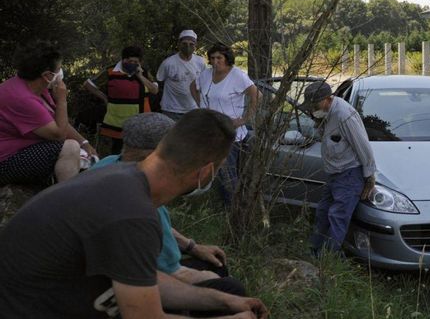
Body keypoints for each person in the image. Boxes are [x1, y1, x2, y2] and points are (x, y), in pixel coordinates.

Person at [0, 109, 268, 319]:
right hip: (29, 311)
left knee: (228, 294)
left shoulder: (122, 177)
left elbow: (144, 279)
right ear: (205, 172)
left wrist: (224, 300)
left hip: (46, 299)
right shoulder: (133, 214)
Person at [92, 113, 245, 298]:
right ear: (157, 153)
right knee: (229, 285)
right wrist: (217, 284)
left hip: (103, 270)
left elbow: (161, 229)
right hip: (122, 283)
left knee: (213, 265)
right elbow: (169, 271)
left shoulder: (107, 164)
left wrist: (191, 246)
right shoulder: (143, 197)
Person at [0, 41, 97, 186]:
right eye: (59, 68)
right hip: (5, 162)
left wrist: (85, 143)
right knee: (70, 147)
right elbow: (59, 134)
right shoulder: (22, 99)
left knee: (79, 151)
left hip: (20, 151)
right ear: (47, 75)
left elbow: (54, 120)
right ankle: (66, 199)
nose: (61, 71)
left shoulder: (35, 87)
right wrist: (62, 100)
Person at [303, 80, 377, 255]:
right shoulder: (325, 114)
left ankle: (326, 258)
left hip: (350, 174)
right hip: (333, 173)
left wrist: (369, 176)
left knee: (338, 216)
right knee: (323, 212)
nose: (312, 108)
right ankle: (313, 249)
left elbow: (363, 146)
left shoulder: (344, 115)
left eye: (315, 104)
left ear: (328, 99)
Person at [190, 43, 258, 205]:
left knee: (228, 173)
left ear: (227, 58)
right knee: (216, 171)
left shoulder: (237, 76)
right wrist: (201, 105)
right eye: (212, 58)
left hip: (230, 134)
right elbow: (193, 87)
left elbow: (257, 95)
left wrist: (243, 119)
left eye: (219, 58)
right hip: (211, 132)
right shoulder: (206, 74)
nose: (215, 61)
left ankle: (233, 209)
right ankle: (224, 203)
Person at [85, 45, 159, 154]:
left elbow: (155, 90)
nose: (132, 64)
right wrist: (104, 98)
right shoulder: (110, 71)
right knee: (116, 154)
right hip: (117, 124)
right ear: (123, 59)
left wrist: (140, 76)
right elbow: (88, 84)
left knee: (138, 153)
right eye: (130, 61)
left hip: (140, 122)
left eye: (135, 62)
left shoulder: (144, 72)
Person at [157, 30, 207, 121]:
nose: (188, 46)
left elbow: (203, 84)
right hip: (171, 110)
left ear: (195, 46)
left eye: (191, 44)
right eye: (184, 43)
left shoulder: (200, 62)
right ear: (179, 44)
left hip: (193, 109)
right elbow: (159, 81)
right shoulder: (168, 63)